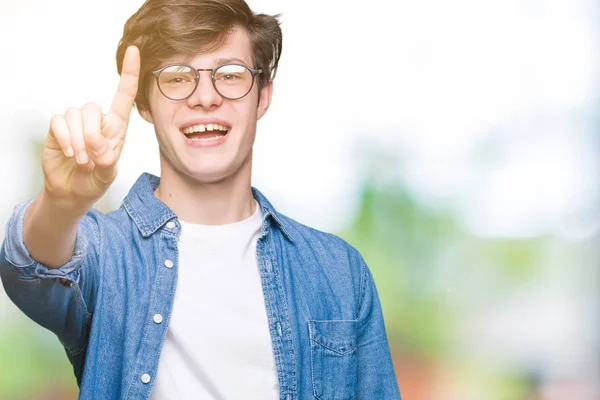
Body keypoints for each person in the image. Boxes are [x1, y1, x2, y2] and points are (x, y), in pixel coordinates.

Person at [0, 0, 401, 398]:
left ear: (262, 96)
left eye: (229, 75)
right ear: (144, 104)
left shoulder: (338, 272)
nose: (205, 97)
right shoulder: (107, 256)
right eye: (176, 77)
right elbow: (29, 268)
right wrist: (61, 202)